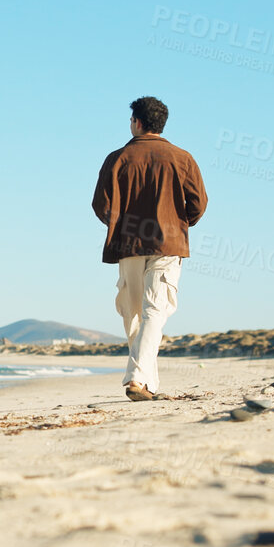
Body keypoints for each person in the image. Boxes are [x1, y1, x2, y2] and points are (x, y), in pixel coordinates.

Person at [92, 96, 207, 401]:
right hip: (167, 244)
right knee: (154, 311)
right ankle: (142, 381)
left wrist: (117, 224)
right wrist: (181, 223)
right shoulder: (182, 158)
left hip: (128, 244)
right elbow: (199, 204)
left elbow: (99, 205)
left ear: (137, 123)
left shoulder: (117, 158)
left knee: (134, 315)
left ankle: (139, 380)